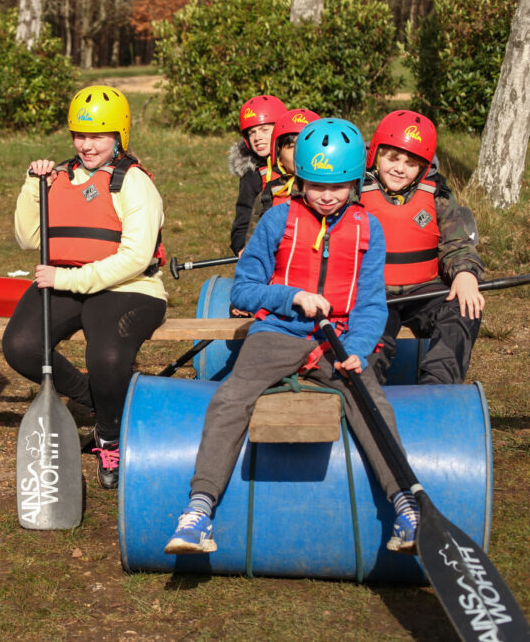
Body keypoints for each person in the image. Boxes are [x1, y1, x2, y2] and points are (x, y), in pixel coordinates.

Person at [164, 118, 420, 557]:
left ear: (356, 182)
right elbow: (244, 289)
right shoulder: (278, 218)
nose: (326, 195)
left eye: (338, 185)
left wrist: (357, 351)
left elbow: (373, 304)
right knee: (231, 397)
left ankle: (405, 506)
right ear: (299, 178)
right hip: (277, 332)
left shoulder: (367, 228)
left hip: (338, 339)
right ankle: (198, 510)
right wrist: (292, 297)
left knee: (370, 401)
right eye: (316, 183)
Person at [1, 85, 167, 490]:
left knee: (107, 355)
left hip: (130, 287)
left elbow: (136, 257)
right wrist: (32, 185)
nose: (87, 145)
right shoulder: (58, 175)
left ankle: (109, 436)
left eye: (98, 136)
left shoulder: (133, 183)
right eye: (80, 135)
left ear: (119, 137)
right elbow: (28, 238)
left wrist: (69, 279)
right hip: (65, 278)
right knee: (20, 346)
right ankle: (100, 402)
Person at [360, 110, 485, 385]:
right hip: (374, 293)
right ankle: (366, 393)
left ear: (424, 167)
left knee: (464, 308)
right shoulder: (354, 193)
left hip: (424, 290)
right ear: (375, 154)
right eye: (392, 157)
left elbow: (458, 244)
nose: (399, 168)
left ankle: (438, 386)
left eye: (411, 163)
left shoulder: (436, 195)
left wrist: (465, 274)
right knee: (369, 335)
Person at [229, 94, 287, 256]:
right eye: (252, 132)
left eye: (264, 130)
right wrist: (241, 247)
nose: (257, 138)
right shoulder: (252, 175)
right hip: (268, 248)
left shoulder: (301, 165)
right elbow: (242, 221)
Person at [250, 108, 321, 221]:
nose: (300, 153)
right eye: (292, 146)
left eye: (307, 145)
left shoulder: (341, 193)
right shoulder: (268, 198)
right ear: (279, 158)